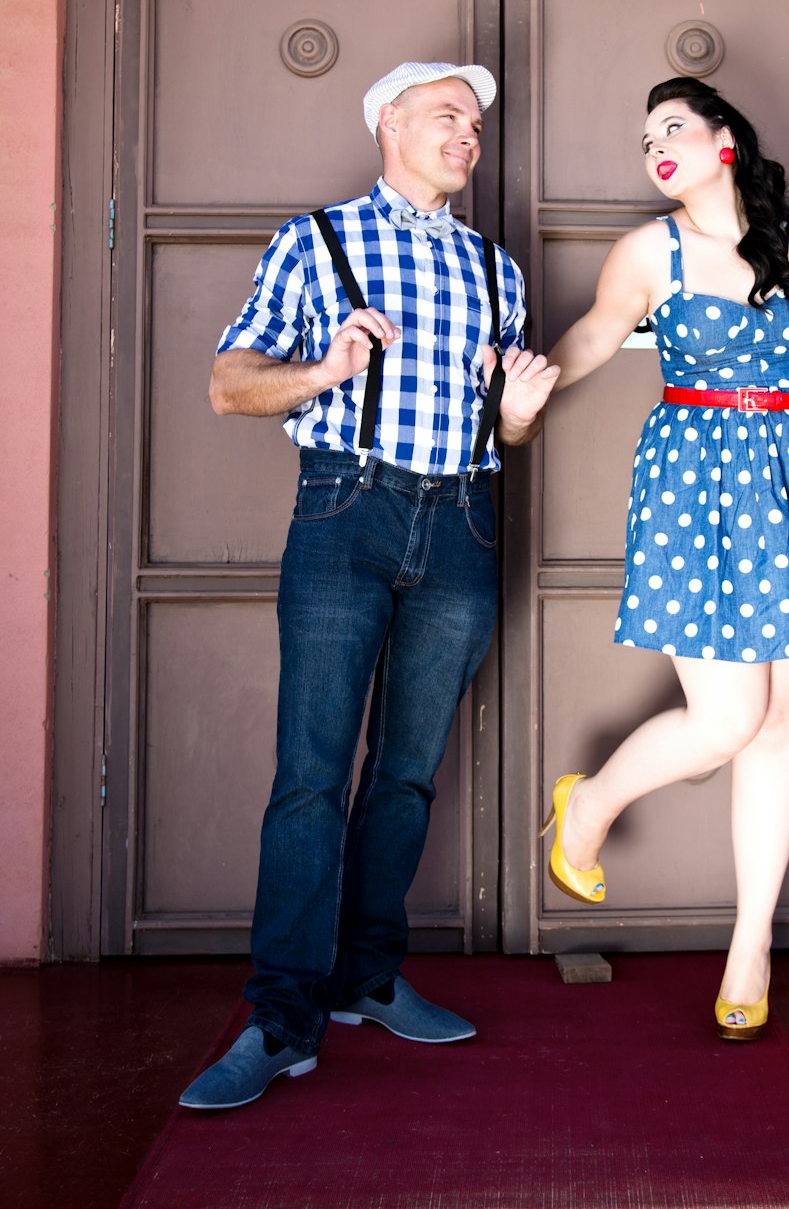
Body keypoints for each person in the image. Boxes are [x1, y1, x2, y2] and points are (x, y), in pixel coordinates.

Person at [180, 61, 558, 1110]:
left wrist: (520, 410)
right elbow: (227, 384)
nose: (466, 135)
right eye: (446, 115)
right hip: (346, 512)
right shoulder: (318, 241)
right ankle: (281, 1019)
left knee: (405, 773)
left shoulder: (496, 268)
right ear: (388, 123)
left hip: (464, 518)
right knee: (311, 774)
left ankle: (367, 978)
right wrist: (324, 372)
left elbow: (507, 429)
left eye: (474, 123)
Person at [540, 75, 789, 1041]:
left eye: (674, 126)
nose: (654, 143)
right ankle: (592, 800)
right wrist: (522, 386)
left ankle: (751, 948)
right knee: (730, 717)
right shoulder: (648, 252)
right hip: (699, 489)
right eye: (643, 132)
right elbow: (598, 334)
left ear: (725, 138)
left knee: (781, 728)